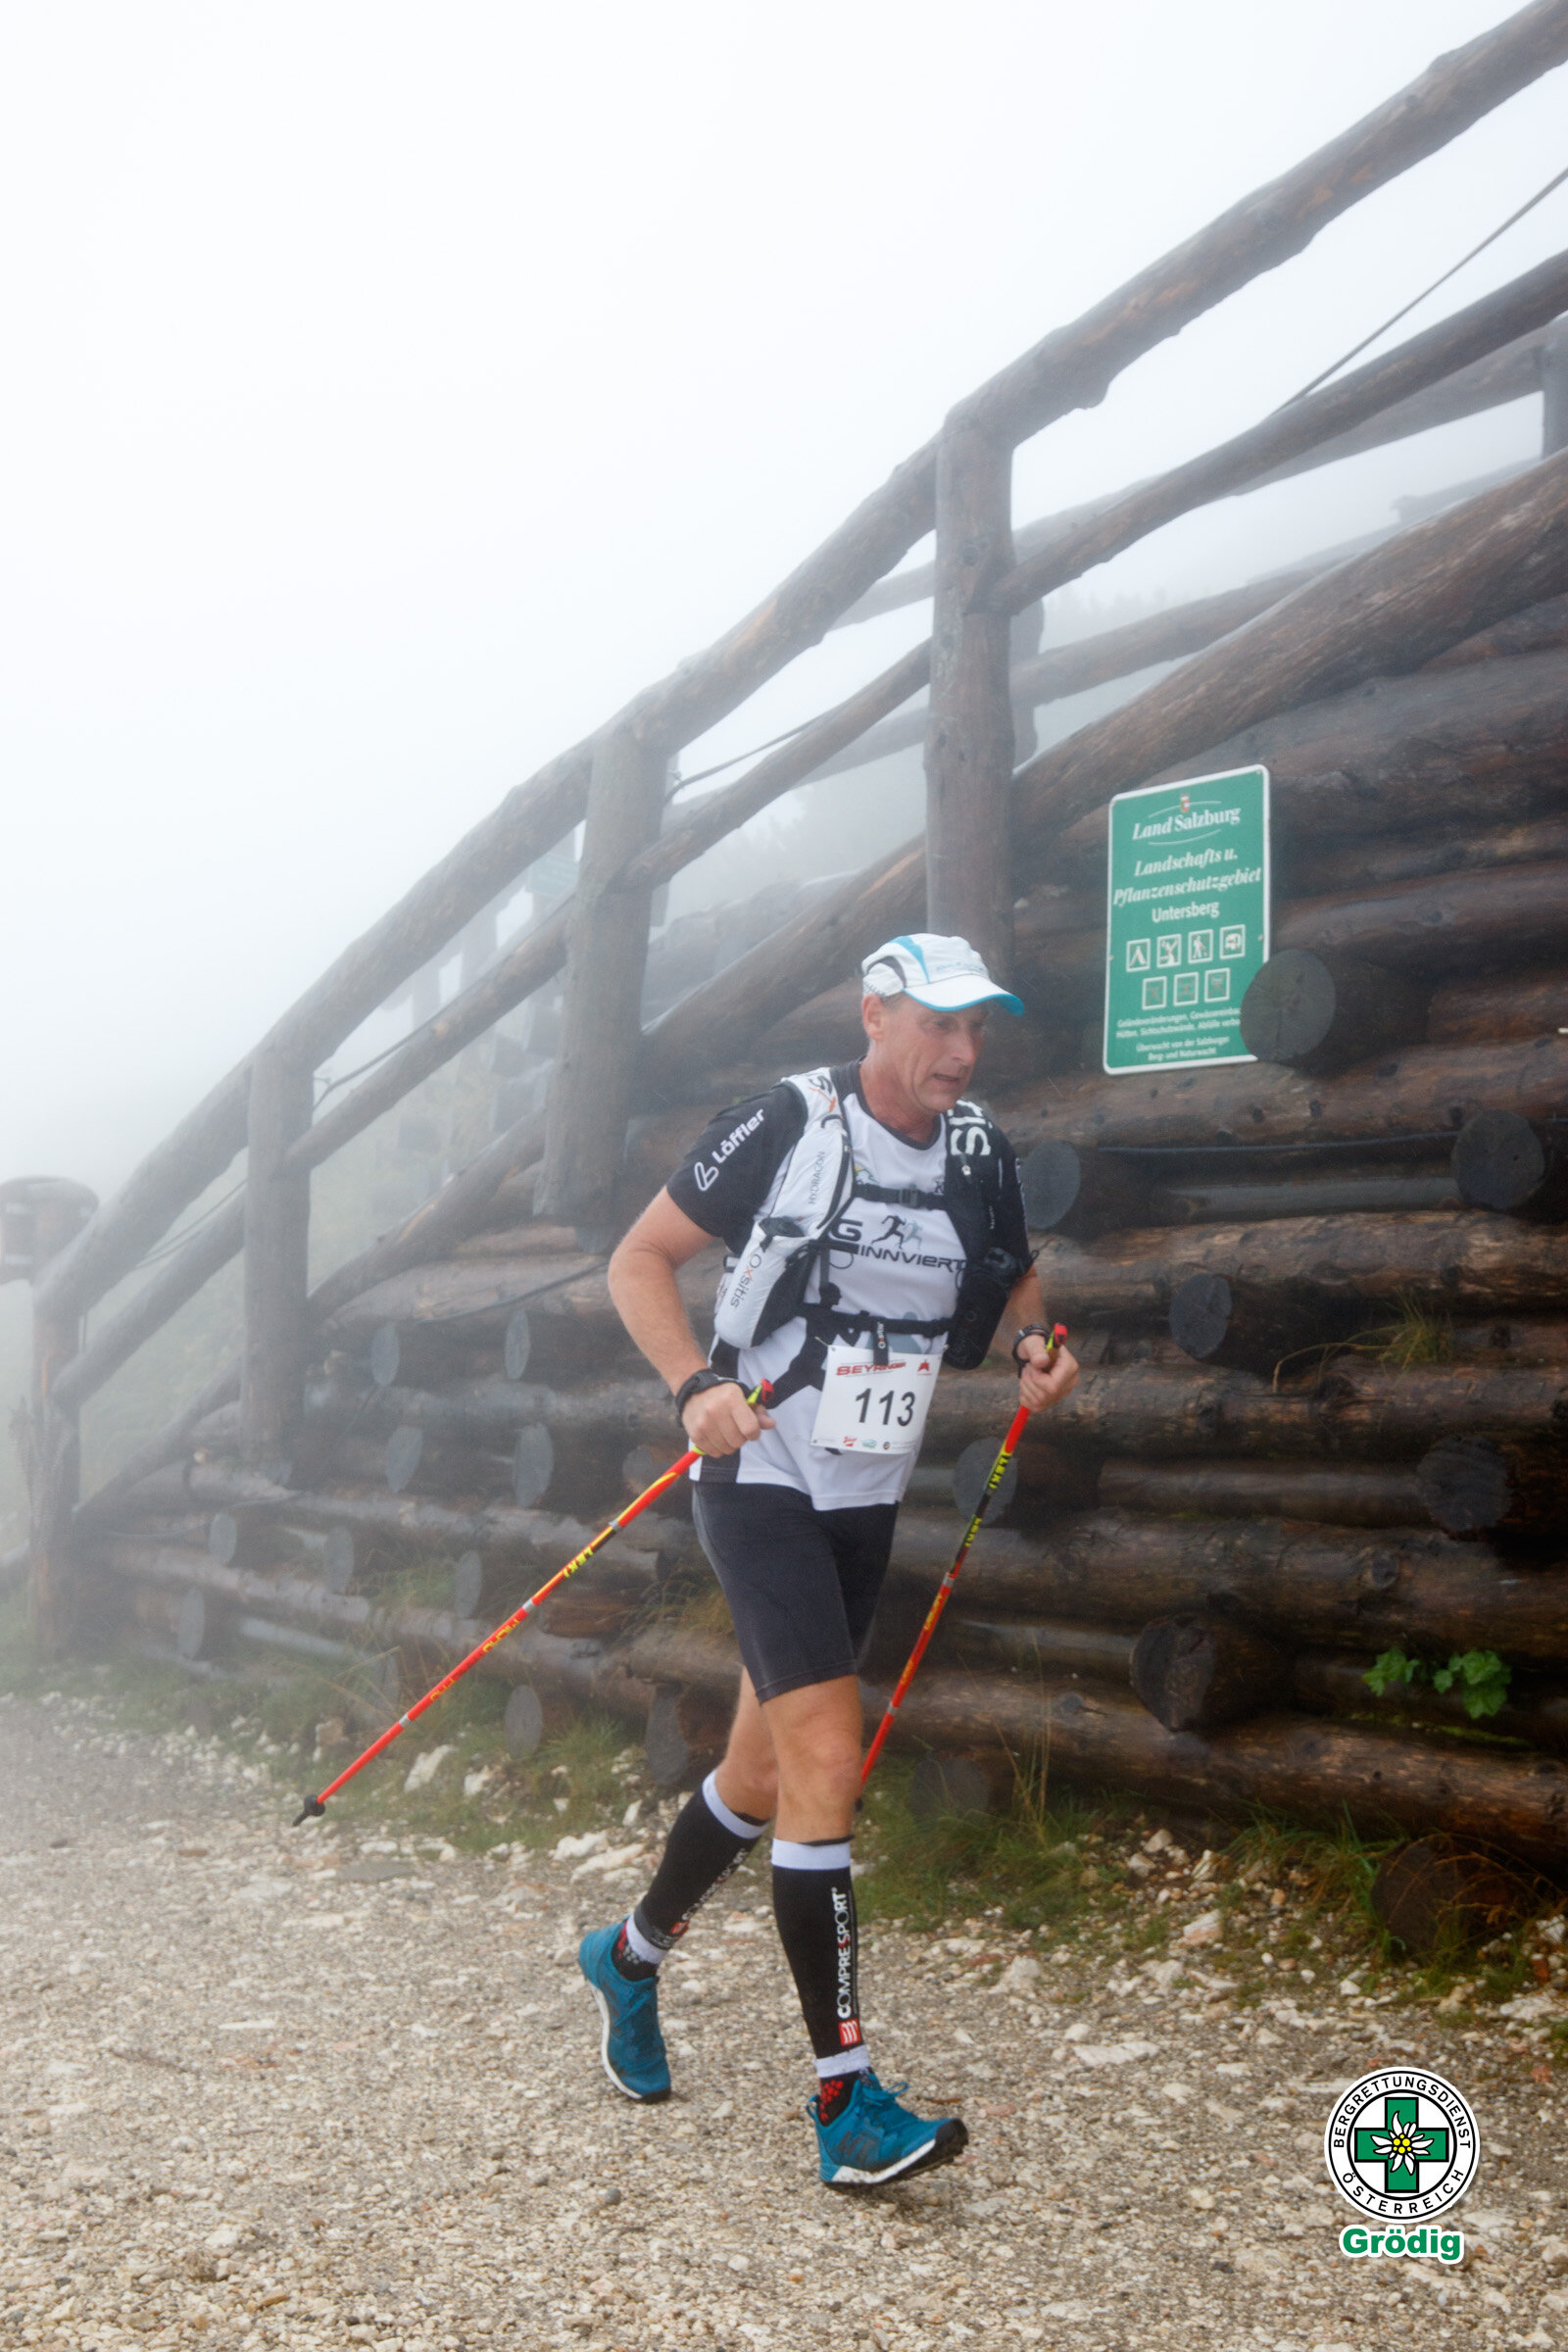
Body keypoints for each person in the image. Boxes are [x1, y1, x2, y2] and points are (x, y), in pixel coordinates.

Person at [576, 932, 1079, 2188]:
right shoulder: (782, 1123)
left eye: (979, 1030)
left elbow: (1019, 1274)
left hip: (865, 1492)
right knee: (825, 1755)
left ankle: (629, 1957)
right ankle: (846, 2106)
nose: (962, 1052)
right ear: (876, 1016)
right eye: (940, 1026)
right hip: (758, 1474)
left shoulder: (978, 1151)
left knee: (757, 1772)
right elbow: (636, 1260)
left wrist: (1039, 1343)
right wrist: (692, 1383)